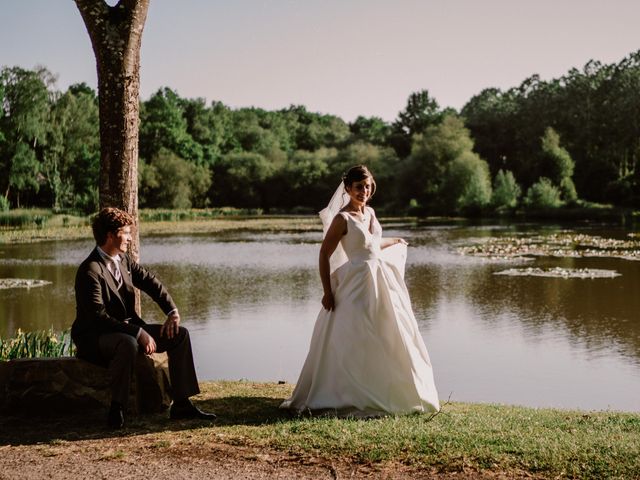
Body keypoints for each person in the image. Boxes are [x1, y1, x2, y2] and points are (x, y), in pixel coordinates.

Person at [281, 165, 440, 416]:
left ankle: (389, 389)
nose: (364, 191)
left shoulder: (371, 213)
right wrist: (327, 291)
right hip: (355, 285)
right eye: (358, 187)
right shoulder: (342, 219)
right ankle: (347, 392)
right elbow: (324, 254)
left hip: (381, 283)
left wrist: (395, 241)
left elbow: (374, 245)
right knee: (353, 335)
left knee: (389, 333)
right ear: (348, 189)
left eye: (367, 186)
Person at [72, 207, 216, 428]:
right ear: (110, 235)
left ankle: (181, 404)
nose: (130, 238)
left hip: (126, 331)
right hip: (95, 338)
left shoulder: (124, 260)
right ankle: (117, 409)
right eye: (126, 232)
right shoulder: (90, 270)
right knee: (128, 343)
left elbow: (150, 282)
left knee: (180, 335)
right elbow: (98, 317)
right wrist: (139, 333)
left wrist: (172, 311)